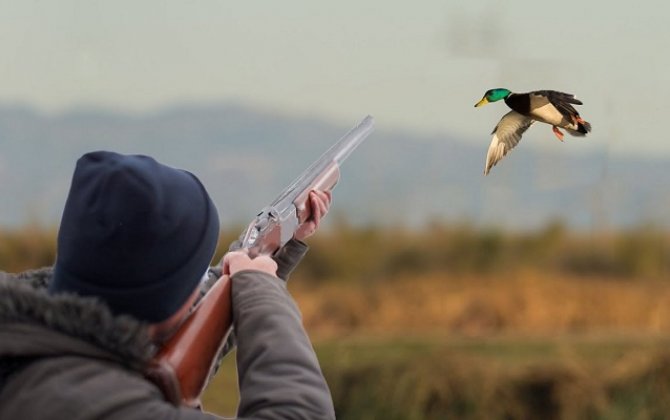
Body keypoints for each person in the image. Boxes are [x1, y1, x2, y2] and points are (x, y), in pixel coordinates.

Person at [0, 150, 336, 419]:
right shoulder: (116, 407)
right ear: (164, 304)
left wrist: (273, 252)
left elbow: (176, 315)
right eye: (199, 273)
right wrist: (261, 291)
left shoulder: (32, 352)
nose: (203, 283)